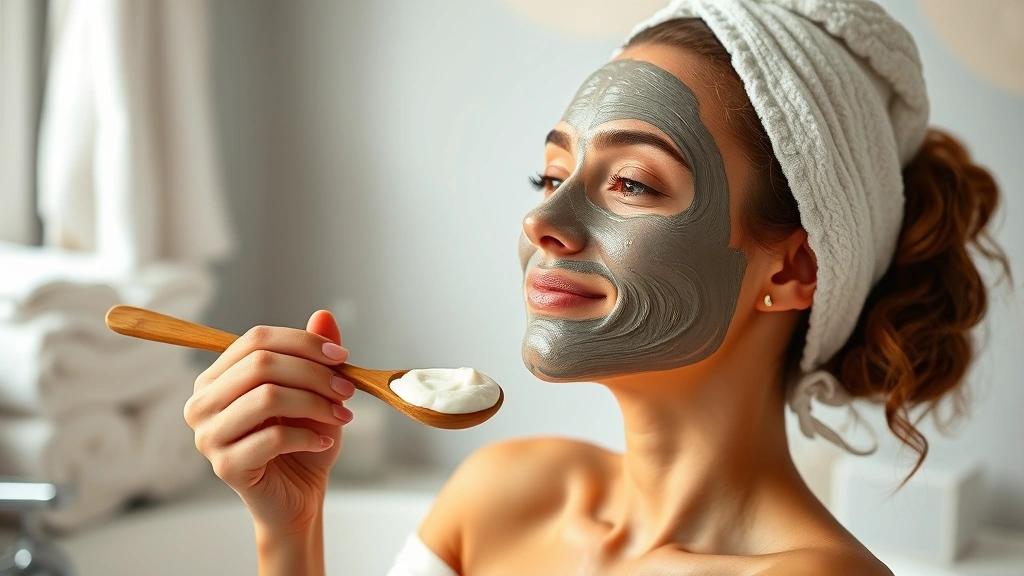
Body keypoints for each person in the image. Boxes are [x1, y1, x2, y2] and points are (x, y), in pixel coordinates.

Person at [182, 1, 1010, 574]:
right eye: (548, 174)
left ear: (792, 269)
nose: (546, 221)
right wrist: (288, 530)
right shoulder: (502, 497)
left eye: (633, 185)